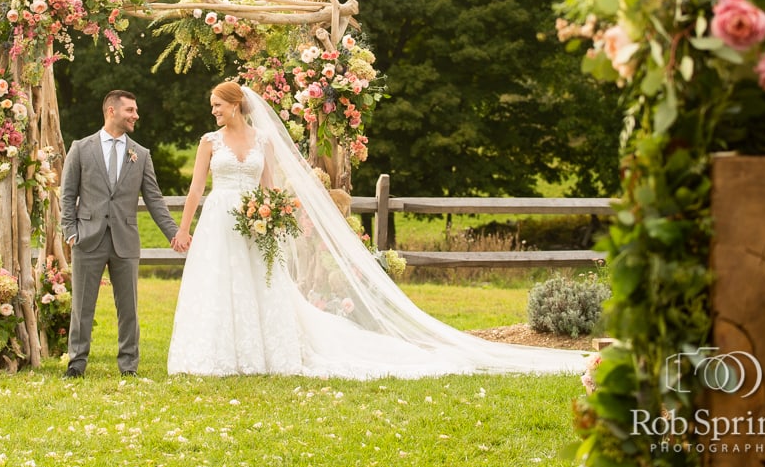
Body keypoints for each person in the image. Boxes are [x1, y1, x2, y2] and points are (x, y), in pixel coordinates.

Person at [167, 81, 587, 378]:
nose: (214, 111)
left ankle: (262, 353)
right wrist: (184, 230)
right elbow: (195, 190)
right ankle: (219, 353)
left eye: (217, 105)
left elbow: (271, 188)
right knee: (221, 283)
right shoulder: (209, 142)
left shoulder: (263, 142)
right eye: (213, 107)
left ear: (235, 105)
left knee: (259, 284)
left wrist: (273, 213)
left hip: (257, 222)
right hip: (220, 220)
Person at [60, 89, 182, 378]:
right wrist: (70, 231)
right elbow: (67, 194)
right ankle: (76, 364)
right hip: (87, 237)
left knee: (129, 309)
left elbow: (154, 199)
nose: (136, 115)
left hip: (125, 240)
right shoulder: (81, 148)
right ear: (111, 111)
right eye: (130, 110)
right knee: (81, 307)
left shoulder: (140, 154)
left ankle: (129, 365)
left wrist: (174, 233)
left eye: (136, 110)